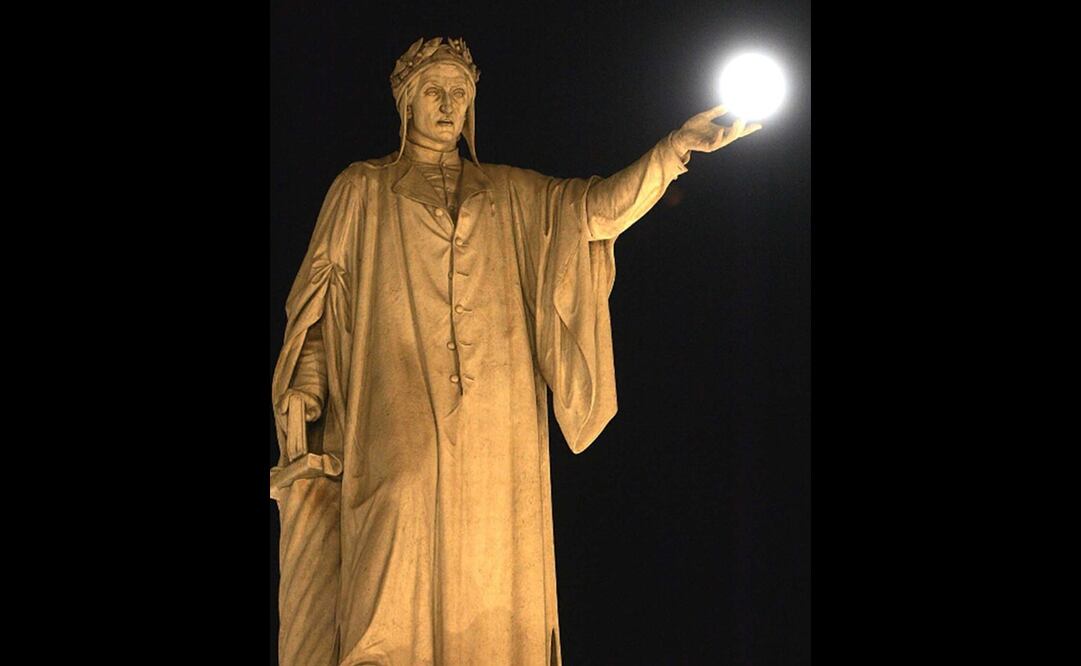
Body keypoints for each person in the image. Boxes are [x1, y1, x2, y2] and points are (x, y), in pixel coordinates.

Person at [270, 36, 760, 666]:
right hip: (394, 410)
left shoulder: (513, 194)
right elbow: (318, 299)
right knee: (390, 550)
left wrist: (674, 151)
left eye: (460, 93)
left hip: (497, 432)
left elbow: (596, 212)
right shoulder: (361, 189)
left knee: (496, 575)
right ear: (405, 102)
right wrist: (306, 385)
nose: (447, 105)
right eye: (433, 91)